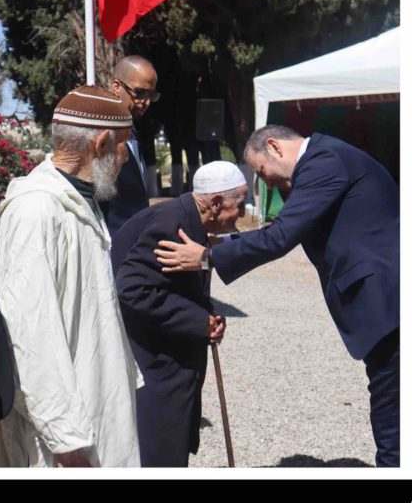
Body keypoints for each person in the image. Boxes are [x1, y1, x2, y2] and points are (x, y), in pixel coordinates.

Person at [155, 126, 399, 467]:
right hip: (387, 302)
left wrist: (206, 257)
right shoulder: (328, 159)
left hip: (390, 303)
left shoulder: (322, 162)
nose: (265, 183)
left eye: (261, 172)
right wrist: (215, 244)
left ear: (274, 147)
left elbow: (281, 236)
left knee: (394, 415)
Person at [0, 85, 142, 468]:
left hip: (93, 403)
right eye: (124, 147)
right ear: (103, 142)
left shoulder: (77, 202)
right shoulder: (35, 211)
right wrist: (67, 440)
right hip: (64, 439)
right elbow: (30, 335)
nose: (125, 159)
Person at [111, 161, 241, 466]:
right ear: (216, 203)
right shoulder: (171, 223)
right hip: (155, 361)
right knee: (159, 452)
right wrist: (198, 321)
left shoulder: (186, 216)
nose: (243, 214)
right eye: (239, 204)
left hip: (170, 352)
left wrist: (208, 317)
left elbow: (173, 287)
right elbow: (132, 288)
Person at [101, 55, 160, 239]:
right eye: (140, 93)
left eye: (152, 95)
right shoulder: (101, 134)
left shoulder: (132, 130)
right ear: (117, 87)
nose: (147, 102)